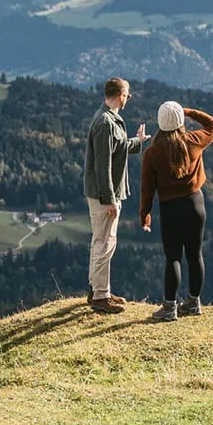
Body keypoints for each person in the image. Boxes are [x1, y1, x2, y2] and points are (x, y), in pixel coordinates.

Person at [140, 100, 213, 322]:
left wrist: (145, 214)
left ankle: (169, 308)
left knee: (173, 258)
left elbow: (147, 189)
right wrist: (188, 112)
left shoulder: (152, 153)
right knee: (195, 255)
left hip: (170, 209)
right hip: (195, 204)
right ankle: (193, 302)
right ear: (180, 121)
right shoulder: (194, 141)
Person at [83, 77, 149, 313]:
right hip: (104, 195)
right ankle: (101, 297)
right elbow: (103, 165)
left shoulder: (108, 119)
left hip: (105, 193)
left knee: (102, 241)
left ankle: (98, 290)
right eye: (128, 95)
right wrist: (110, 199)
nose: (128, 99)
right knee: (105, 242)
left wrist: (138, 141)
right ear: (121, 95)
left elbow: (117, 147)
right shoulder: (105, 122)